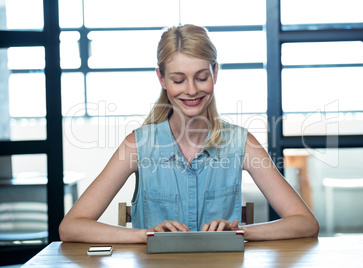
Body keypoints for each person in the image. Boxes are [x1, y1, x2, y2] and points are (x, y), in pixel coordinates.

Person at [59, 24, 319, 244]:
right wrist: (145, 234)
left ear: (215, 73)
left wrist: (239, 232)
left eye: (201, 77)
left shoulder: (241, 143)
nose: (192, 90)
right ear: (162, 79)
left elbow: (305, 223)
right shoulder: (137, 145)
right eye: (179, 79)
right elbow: (71, 227)